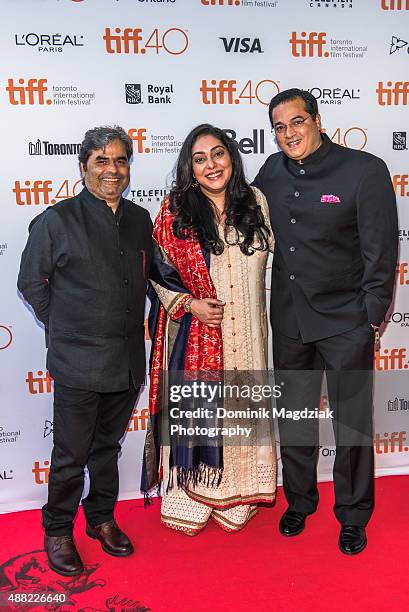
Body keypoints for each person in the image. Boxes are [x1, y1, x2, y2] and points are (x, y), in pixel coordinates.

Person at [253, 88, 398, 554]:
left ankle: (354, 514)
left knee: (352, 423)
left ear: (316, 120)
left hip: (346, 320)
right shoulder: (271, 173)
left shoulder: (364, 170)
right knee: (294, 418)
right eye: (279, 127)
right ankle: (299, 500)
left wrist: (371, 318)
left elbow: (381, 252)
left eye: (296, 122)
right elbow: (236, 218)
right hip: (291, 318)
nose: (288, 134)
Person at [17, 126, 153, 576]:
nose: (112, 170)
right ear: (83, 168)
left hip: (128, 359)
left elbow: (154, 278)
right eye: (101, 161)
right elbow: (31, 283)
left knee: (106, 448)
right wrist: (66, 326)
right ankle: (57, 529)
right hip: (77, 361)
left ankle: (100, 519)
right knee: (71, 453)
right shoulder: (57, 221)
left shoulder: (139, 219)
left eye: (120, 161)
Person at [142, 124, 277, 535]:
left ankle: (239, 491)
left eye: (218, 154)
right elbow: (157, 272)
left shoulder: (255, 201)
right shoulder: (176, 211)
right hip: (200, 333)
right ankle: (194, 491)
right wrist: (191, 305)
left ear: (232, 158)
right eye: (200, 159)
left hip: (250, 335)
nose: (211, 165)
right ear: (190, 167)